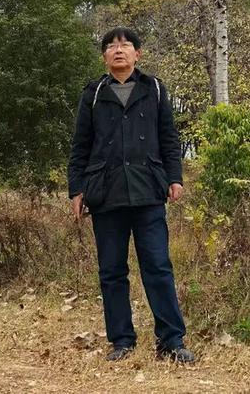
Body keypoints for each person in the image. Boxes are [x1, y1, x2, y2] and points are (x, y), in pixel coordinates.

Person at [67, 27, 195, 364]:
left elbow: (169, 136)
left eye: (125, 45)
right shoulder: (93, 93)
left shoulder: (153, 88)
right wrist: (76, 190)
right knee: (111, 271)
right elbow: (80, 147)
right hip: (106, 194)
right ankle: (121, 340)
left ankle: (171, 340)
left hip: (148, 192)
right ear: (105, 57)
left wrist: (174, 177)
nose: (118, 50)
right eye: (111, 46)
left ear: (137, 53)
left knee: (158, 266)